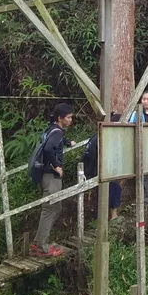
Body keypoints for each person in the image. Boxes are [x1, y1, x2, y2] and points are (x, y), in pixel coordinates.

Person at [32, 103, 76, 257]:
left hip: (44, 175)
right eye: (68, 117)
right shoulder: (57, 132)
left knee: (54, 207)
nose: (71, 120)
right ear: (60, 118)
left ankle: (39, 241)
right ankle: (41, 246)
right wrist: (56, 166)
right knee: (51, 208)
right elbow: (49, 148)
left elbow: (54, 142)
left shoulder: (52, 129)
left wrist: (67, 143)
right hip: (50, 176)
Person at [82, 112, 122, 220]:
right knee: (114, 188)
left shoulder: (98, 134)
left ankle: (100, 218)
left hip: (90, 169)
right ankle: (112, 215)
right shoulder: (106, 136)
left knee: (107, 190)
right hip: (98, 170)